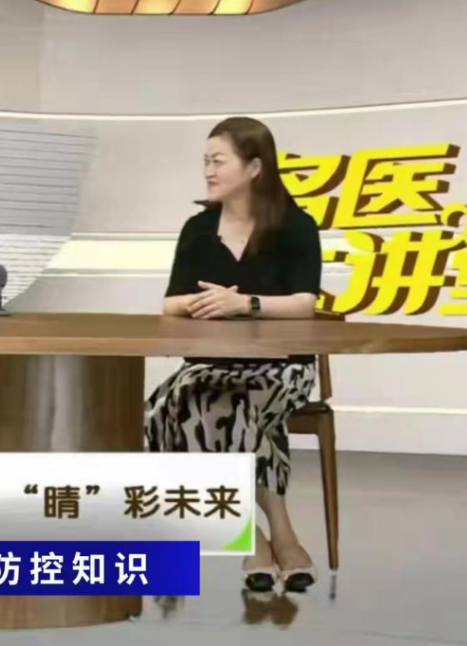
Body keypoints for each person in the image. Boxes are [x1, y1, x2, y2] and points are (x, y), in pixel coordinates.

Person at [145, 117, 322, 593]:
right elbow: (171, 303)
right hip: (209, 366)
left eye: (218, 161)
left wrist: (246, 304)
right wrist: (203, 302)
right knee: (177, 404)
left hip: (283, 367)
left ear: (255, 167)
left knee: (223, 404)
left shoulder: (296, 226)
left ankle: (263, 538)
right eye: (205, 161)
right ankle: (268, 536)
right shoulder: (197, 229)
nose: (208, 170)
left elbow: (305, 304)